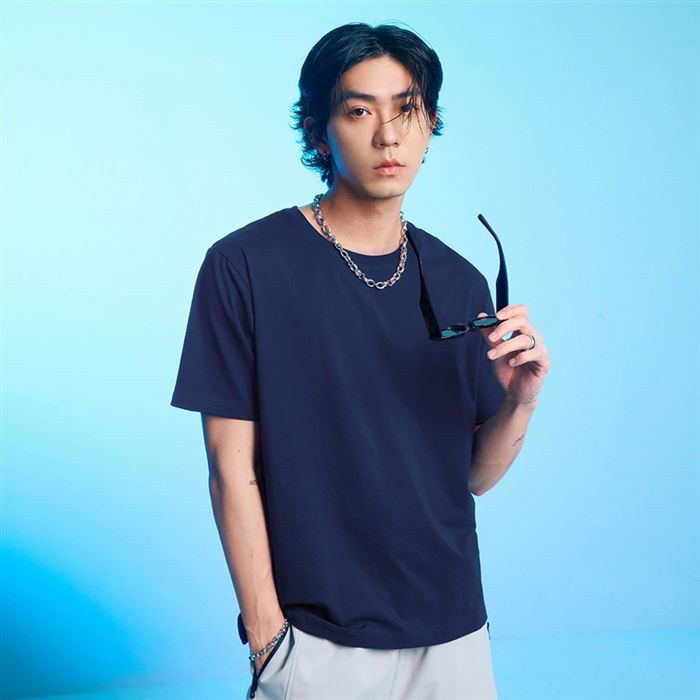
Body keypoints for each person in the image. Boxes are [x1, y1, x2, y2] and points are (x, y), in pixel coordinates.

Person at [170, 21, 550, 700]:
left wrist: (521, 400)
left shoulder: (460, 282)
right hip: (316, 639)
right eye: (358, 111)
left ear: (430, 125)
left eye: (407, 110)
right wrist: (268, 637)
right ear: (317, 131)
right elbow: (230, 468)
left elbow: (474, 477)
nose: (387, 136)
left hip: (453, 632)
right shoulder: (245, 266)